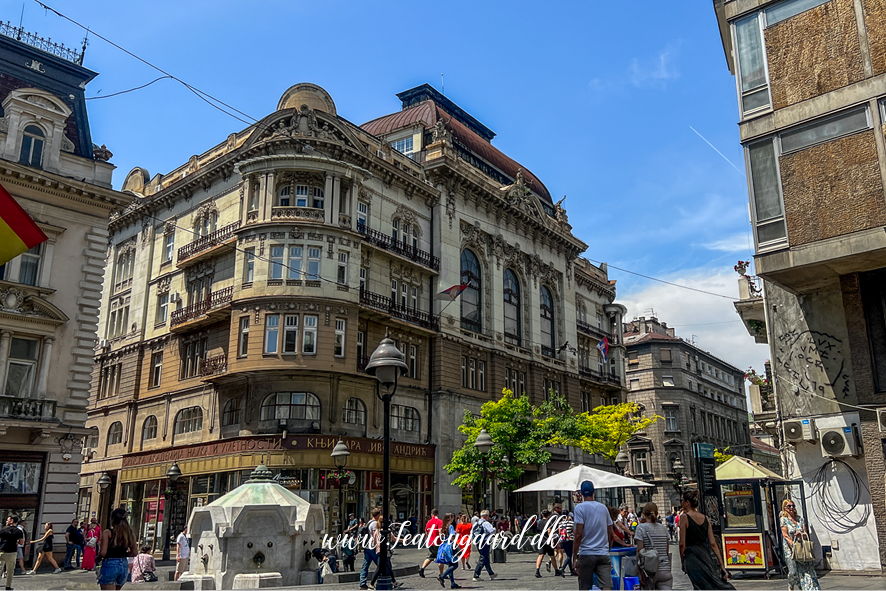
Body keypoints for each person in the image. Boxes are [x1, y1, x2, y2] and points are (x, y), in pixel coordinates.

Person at [678, 490, 734, 590]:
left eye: (682, 500)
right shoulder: (705, 518)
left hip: (692, 556)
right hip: (705, 555)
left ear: (687, 503)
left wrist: (682, 561)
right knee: (710, 583)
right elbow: (713, 543)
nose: (681, 503)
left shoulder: (684, 518)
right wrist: (721, 565)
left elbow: (682, 543)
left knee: (699, 586)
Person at [572, 481, 614, 591]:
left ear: (581, 493)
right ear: (594, 492)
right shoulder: (603, 508)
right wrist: (607, 550)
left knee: (585, 587)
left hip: (586, 553)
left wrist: (574, 557)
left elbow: (578, 534)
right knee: (606, 586)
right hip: (602, 554)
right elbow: (611, 533)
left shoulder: (579, 508)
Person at [780, 499, 820, 591]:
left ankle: (807, 588)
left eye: (793, 505)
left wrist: (801, 535)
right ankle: (791, 585)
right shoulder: (784, 519)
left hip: (801, 548)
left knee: (806, 570)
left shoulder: (800, 519)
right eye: (789, 506)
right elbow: (785, 535)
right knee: (793, 571)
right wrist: (793, 546)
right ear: (785, 508)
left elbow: (805, 533)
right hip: (790, 549)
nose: (791, 508)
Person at [97, 508, 137, 590]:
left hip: (110, 564)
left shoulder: (107, 532)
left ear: (112, 519)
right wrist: (123, 554)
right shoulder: (130, 533)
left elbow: (103, 552)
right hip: (124, 565)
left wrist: (97, 559)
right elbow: (134, 553)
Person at [635, 502, 672, 590]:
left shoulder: (641, 528)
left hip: (649, 571)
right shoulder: (663, 528)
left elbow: (639, 551)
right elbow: (666, 551)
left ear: (644, 514)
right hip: (665, 569)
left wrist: (640, 573)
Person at [436, 513, 461, 589]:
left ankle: (453, 583)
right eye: (452, 518)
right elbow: (452, 537)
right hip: (450, 547)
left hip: (444, 547)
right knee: (455, 565)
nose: (453, 519)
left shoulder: (442, 527)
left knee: (450, 565)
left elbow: (441, 537)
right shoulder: (450, 527)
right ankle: (442, 576)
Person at [471, 510, 497, 582]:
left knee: (486, 557)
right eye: (488, 516)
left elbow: (471, 532)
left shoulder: (476, 523)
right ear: (486, 516)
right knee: (483, 558)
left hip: (478, 542)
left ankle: (491, 573)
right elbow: (491, 531)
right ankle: (476, 575)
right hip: (485, 542)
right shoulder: (486, 523)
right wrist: (494, 529)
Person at [358, 508, 380, 590]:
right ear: (378, 515)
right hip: (372, 547)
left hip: (367, 546)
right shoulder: (374, 524)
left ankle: (362, 583)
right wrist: (377, 545)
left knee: (365, 565)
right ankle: (384, 581)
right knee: (380, 565)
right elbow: (375, 536)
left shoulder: (369, 522)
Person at [535, 510, 560, 577]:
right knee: (552, 555)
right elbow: (549, 532)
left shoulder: (539, 522)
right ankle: (556, 570)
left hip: (541, 540)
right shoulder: (549, 522)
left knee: (541, 555)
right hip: (547, 541)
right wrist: (552, 540)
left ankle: (537, 571)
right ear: (548, 515)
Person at [1, 515, 24, 590]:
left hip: (2, 551)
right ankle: (8, 586)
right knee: (10, 570)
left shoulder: (3, 529)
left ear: (12, 521)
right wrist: (16, 542)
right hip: (12, 552)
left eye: (8, 520)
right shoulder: (18, 531)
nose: (6, 521)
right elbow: (21, 542)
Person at [418, 509, 443, 579]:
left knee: (430, 557)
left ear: (432, 514)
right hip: (438, 542)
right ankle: (441, 574)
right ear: (437, 514)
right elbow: (440, 530)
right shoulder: (440, 521)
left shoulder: (429, 522)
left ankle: (422, 568)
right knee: (440, 558)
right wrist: (442, 539)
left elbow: (426, 532)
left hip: (430, 542)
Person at [559, 513, 575, 577]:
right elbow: (574, 531)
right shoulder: (571, 523)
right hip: (570, 540)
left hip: (563, 540)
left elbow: (559, 532)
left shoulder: (560, 523)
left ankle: (572, 571)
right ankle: (562, 568)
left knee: (568, 555)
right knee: (569, 556)